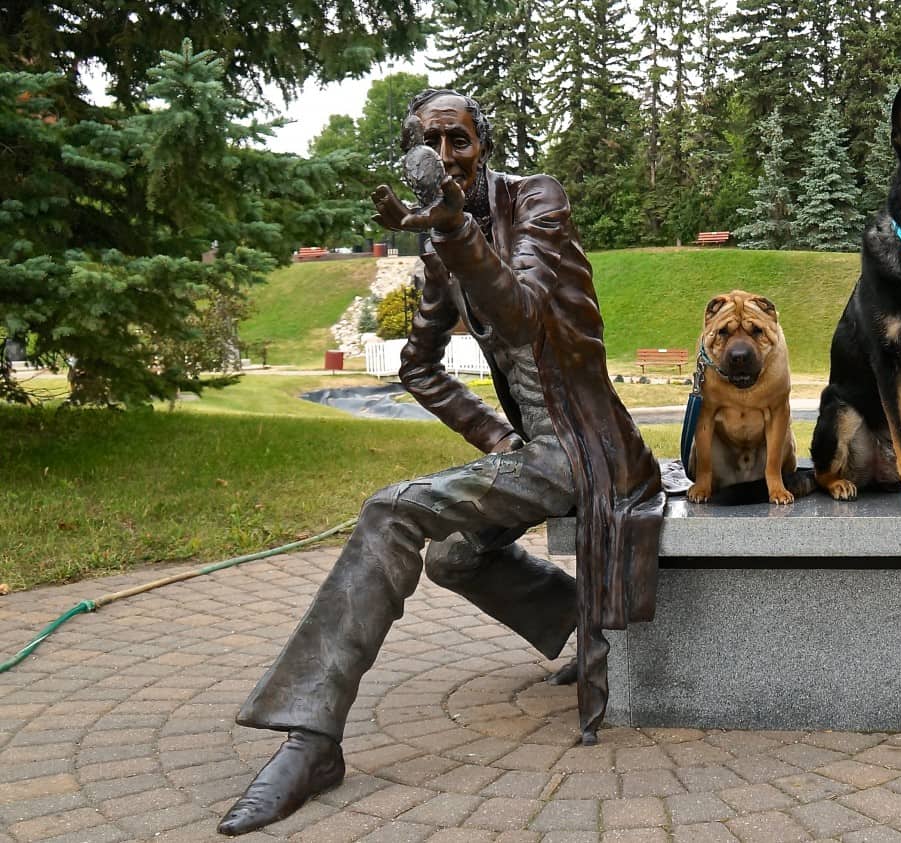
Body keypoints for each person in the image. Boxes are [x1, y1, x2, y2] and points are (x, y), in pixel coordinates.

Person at [217, 89, 669, 836]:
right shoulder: (439, 243)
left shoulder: (537, 201)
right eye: (431, 143)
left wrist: (456, 229)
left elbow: (522, 305)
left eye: (459, 140)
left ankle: (312, 738)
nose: (448, 157)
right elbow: (420, 368)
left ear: (481, 143)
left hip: (594, 450)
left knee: (391, 509)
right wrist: (499, 444)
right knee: (454, 556)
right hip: (539, 454)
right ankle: (573, 620)